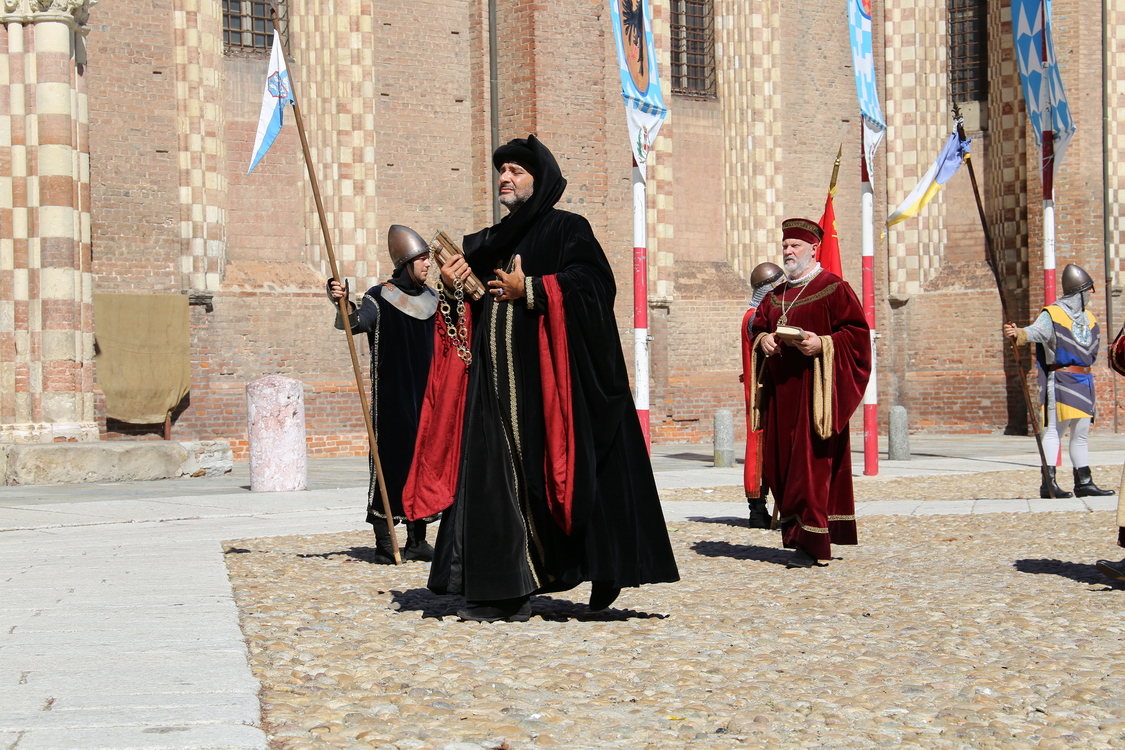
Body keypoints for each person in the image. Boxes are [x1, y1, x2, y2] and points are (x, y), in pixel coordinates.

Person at [419, 135, 680, 622]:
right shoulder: (486, 243)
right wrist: (456, 286)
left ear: (539, 181)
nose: (505, 178)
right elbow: (473, 308)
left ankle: (599, 566)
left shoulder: (566, 230)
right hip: (494, 390)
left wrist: (534, 288)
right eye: (501, 171)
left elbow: (596, 286)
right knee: (494, 484)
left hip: (550, 388)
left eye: (516, 171)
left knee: (560, 483)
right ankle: (503, 590)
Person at [750, 218, 871, 569]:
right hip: (781, 395)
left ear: (813, 250)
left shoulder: (833, 288)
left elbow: (858, 335)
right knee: (780, 467)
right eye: (785, 246)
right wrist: (765, 340)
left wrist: (823, 343)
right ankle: (795, 534)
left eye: (795, 247)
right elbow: (758, 327)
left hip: (817, 395)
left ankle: (813, 541)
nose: (788, 252)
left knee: (809, 467)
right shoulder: (776, 295)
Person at [328, 225, 438, 564]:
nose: (427, 265)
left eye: (428, 260)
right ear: (405, 263)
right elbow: (353, 324)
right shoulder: (380, 297)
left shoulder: (434, 298)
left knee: (422, 465)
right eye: (421, 260)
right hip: (392, 399)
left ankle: (417, 540)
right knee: (390, 465)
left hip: (427, 397)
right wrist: (342, 302)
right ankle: (384, 540)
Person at [1003, 264, 1115, 499]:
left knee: (1081, 432)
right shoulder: (1052, 314)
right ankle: (1049, 483)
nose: (1090, 296)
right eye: (1088, 291)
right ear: (1081, 291)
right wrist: (1018, 333)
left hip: (1084, 378)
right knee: (1055, 430)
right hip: (1062, 378)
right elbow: (1033, 332)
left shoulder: (1090, 318)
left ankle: (1084, 482)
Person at [740, 262, 785, 529]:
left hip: (763, 385)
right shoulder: (754, 315)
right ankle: (757, 509)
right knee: (758, 444)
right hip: (760, 389)